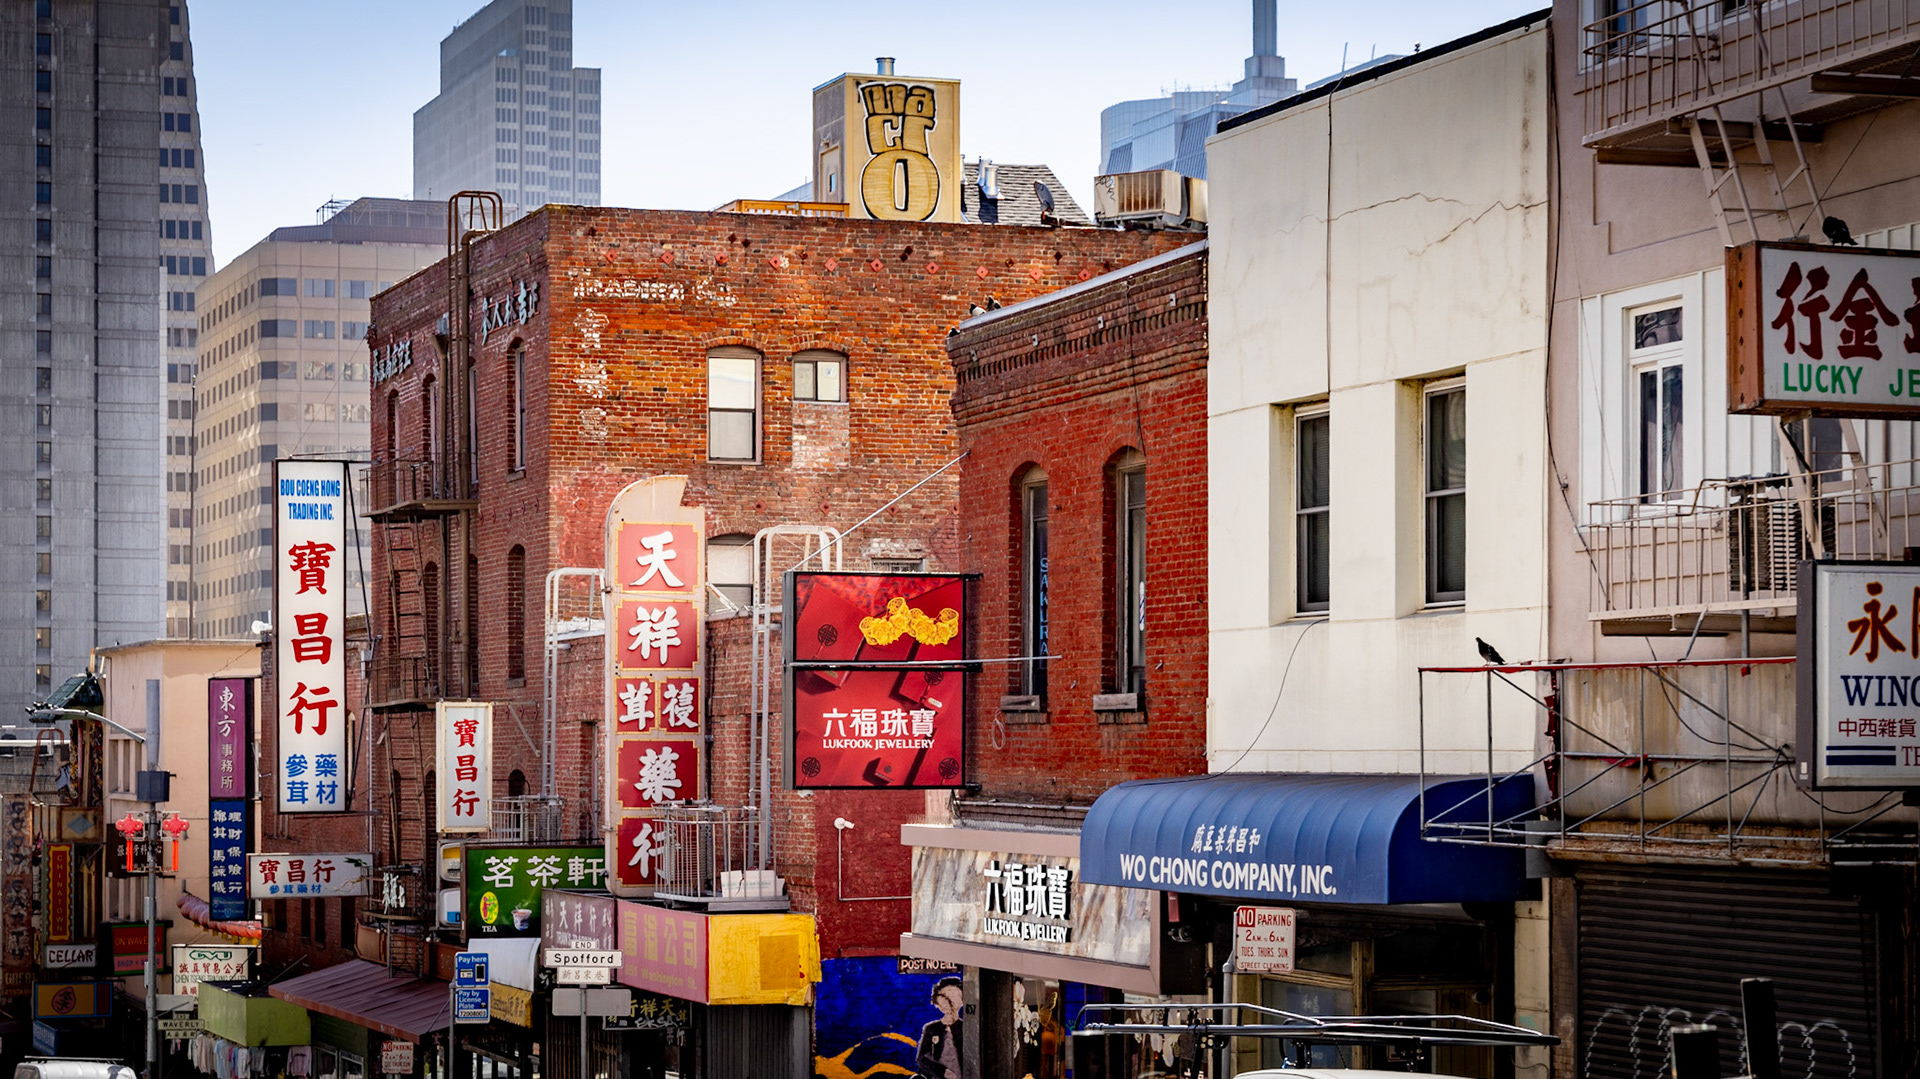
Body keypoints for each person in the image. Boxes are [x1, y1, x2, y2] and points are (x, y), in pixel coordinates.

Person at [916, 976, 967, 1079]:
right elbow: (922, 1058)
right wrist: (942, 1072)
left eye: (955, 996)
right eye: (944, 996)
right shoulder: (931, 1028)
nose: (950, 1001)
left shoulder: (966, 1027)